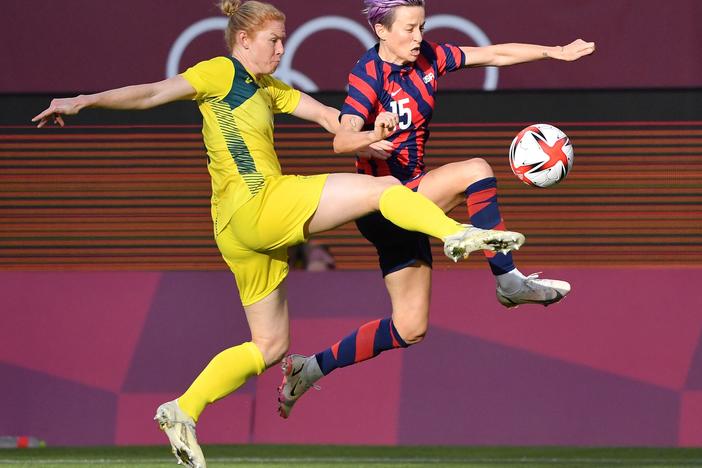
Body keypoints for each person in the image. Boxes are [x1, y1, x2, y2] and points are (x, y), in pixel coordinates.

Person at [32, 1, 527, 467]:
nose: (282, 50)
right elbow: (153, 93)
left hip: (236, 232)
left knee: (269, 347)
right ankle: (456, 234)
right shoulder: (222, 71)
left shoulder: (269, 88)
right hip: (261, 203)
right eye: (274, 40)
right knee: (383, 190)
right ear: (243, 39)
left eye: (285, 40)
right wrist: (84, 101)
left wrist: (368, 131)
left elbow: (329, 117)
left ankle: (184, 408)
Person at [276, 0, 595, 419]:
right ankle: (508, 280)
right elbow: (341, 139)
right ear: (381, 32)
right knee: (476, 171)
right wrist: (372, 134)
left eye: (422, 26)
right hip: (383, 203)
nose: (419, 37)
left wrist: (552, 51)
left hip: (412, 202)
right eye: (409, 29)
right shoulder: (368, 75)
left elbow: (493, 54)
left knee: (410, 327)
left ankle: (309, 368)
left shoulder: (430, 58)